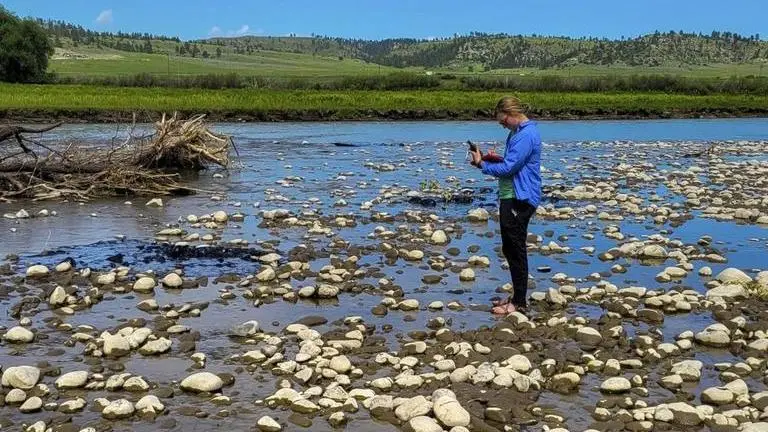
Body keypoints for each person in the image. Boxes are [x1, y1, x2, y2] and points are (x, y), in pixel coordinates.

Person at [469, 96, 541, 314]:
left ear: (512, 113)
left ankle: (519, 303)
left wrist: (481, 164)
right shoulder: (517, 132)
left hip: (520, 197)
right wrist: (493, 159)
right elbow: (514, 163)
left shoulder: (525, 135)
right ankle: (517, 297)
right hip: (512, 194)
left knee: (515, 248)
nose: (501, 125)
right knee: (510, 248)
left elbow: (510, 169)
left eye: (503, 121)